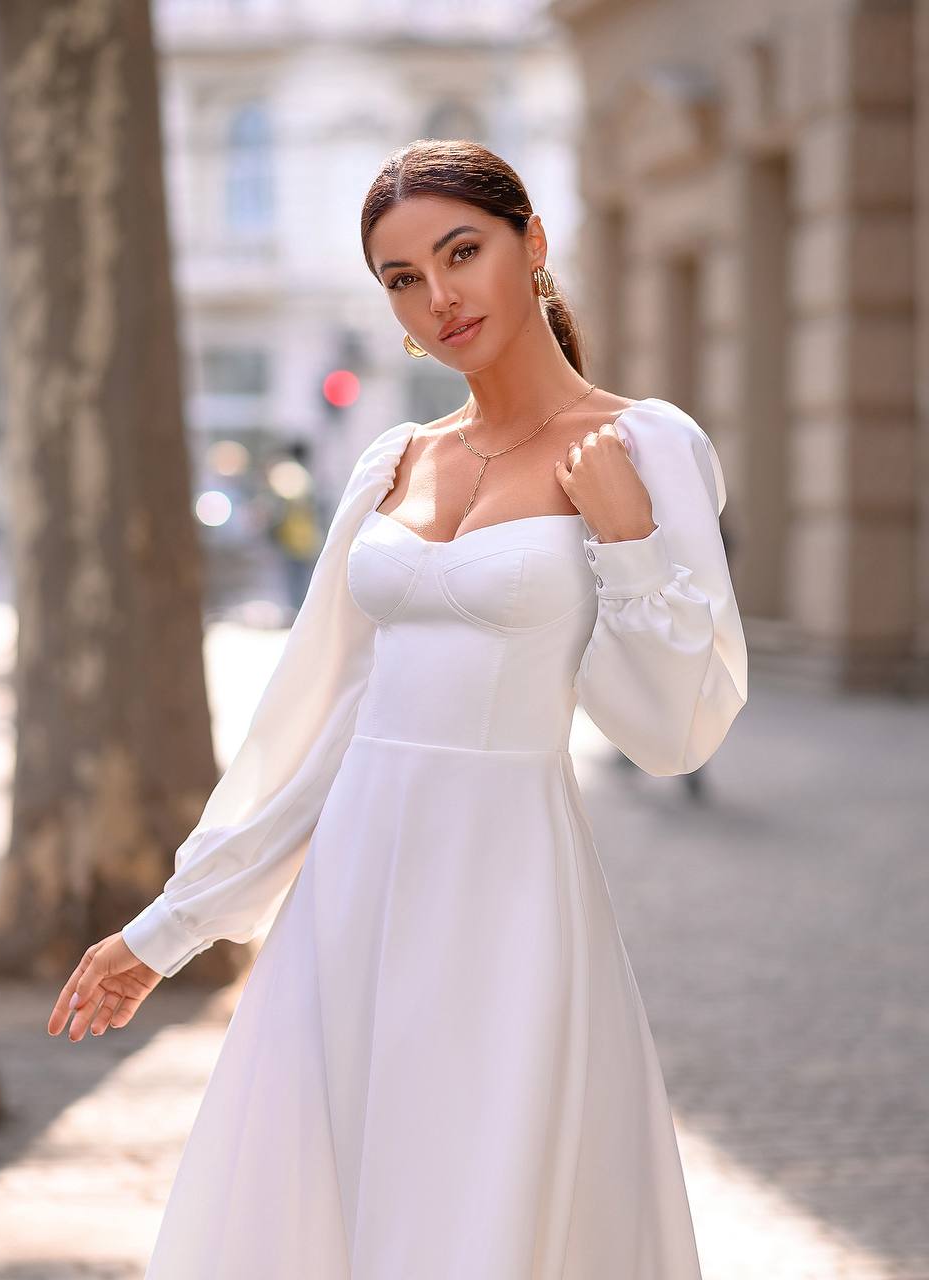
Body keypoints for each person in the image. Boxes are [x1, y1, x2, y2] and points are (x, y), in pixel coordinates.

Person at [47, 138, 748, 1278]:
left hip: (508, 898)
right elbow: (321, 724)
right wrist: (163, 930)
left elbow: (674, 732)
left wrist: (624, 539)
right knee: (335, 1212)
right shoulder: (390, 463)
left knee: (475, 1210)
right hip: (348, 902)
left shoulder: (645, 445)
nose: (438, 297)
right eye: (401, 278)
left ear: (533, 243)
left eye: (460, 251)